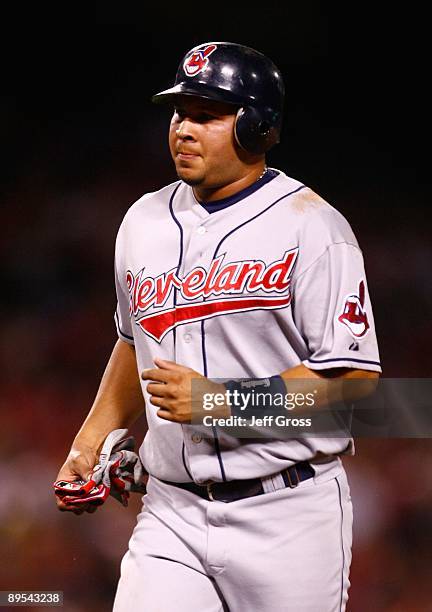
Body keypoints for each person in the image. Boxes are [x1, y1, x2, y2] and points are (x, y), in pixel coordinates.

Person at [55, 42, 381, 611]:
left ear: (255, 127)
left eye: (207, 115)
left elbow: (351, 392)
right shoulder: (143, 221)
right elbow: (136, 343)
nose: (183, 128)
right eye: (180, 112)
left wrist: (218, 403)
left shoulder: (314, 228)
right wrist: (88, 441)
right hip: (171, 513)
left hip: (287, 515)